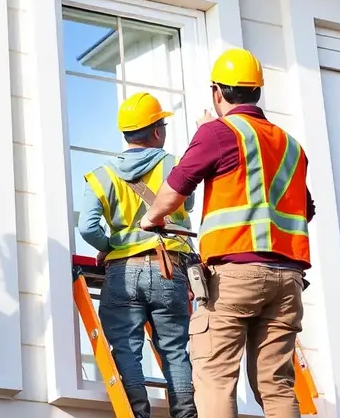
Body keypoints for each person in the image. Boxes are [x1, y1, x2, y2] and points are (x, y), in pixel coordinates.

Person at [139, 48, 315, 418]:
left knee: (216, 377)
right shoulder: (291, 147)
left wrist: (151, 218)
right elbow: (306, 209)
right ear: (257, 92)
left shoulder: (218, 133)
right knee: (277, 384)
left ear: (217, 92)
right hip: (289, 280)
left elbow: (175, 188)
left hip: (234, 276)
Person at [77, 91, 199, 418]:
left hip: (123, 272)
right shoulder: (175, 165)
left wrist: (109, 247)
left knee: (126, 351)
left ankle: (137, 414)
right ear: (156, 131)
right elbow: (185, 205)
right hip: (168, 270)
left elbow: (87, 228)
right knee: (175, 352)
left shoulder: (102, 175)